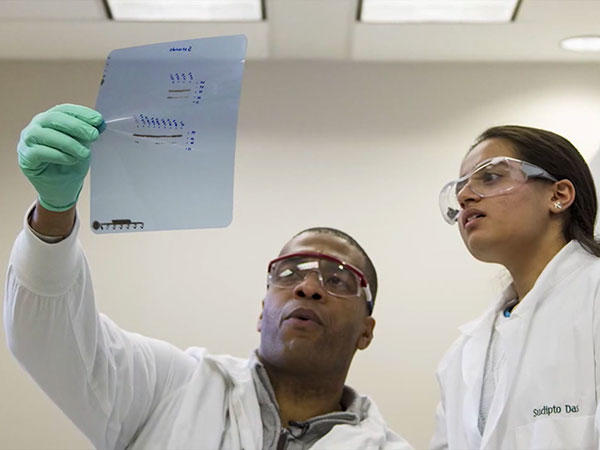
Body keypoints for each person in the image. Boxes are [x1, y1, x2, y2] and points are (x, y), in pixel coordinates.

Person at [5, 104, 413, 450]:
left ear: (366, 330)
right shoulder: (172, 386)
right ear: (262, 311)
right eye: (289, 273)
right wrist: (54, 210)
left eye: (338, 280)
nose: (307, 288)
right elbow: (52, 341)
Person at [431, 125, 600, 450]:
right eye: (461, 188)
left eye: (490, 177)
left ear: (558, 195)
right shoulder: (461, 356)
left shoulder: (593, 296)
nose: (465, 196)